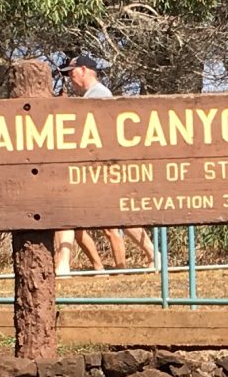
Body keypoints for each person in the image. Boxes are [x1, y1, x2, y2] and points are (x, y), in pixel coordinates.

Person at [54, 55, 158, 276]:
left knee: (113, 220)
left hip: (100, 169)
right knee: (85, 218)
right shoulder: (90, 97)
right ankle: (147, 257)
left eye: (72, 73)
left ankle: (141, 259)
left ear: (84, 70)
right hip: (92, 169)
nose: (70, 78)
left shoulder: (100, 96)